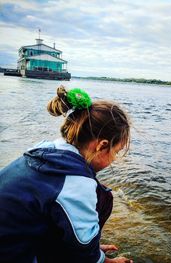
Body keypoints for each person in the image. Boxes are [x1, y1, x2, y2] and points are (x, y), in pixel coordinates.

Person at [0, 86, 133, 263]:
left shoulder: (43, 149)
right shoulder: (76, 182)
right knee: (103, 197)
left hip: (10, 236)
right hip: (11, 254)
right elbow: (83, 244)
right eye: (116, 151)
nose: (114, 158)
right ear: (101, 145)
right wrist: (103, 260)